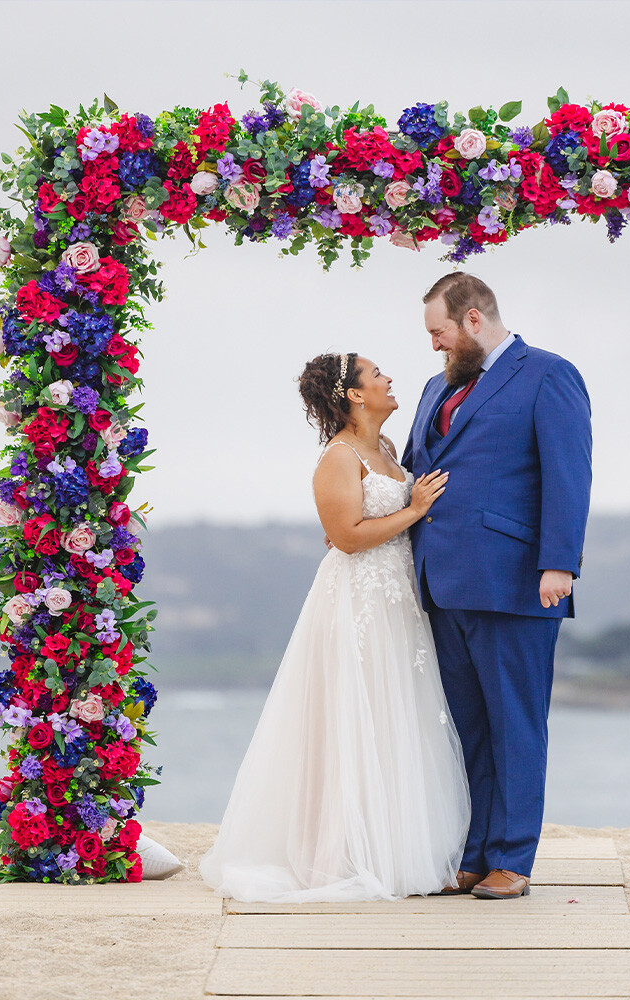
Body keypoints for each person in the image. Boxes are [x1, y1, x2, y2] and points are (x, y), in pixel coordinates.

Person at [199, 352, 470, 902]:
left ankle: (398, 853)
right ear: (352, 394)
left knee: (398, 715)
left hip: (398, 598)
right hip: (357, 600)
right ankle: (343, 855)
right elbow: (346, 536)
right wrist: (415, 509)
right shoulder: (338, 458)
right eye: (377, 375)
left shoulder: (388, 449)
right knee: (356, 714)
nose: (390, 378)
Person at [403, 273, 592, 900]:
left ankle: (513, 858)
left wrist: (559, 563)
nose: (434, 345)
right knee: (466, 727)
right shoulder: (437, 387)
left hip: (517, 582)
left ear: (474, 320)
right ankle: (475, 852)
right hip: (440, 582)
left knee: (515, 723)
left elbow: (569, 473)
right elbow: (414, 472)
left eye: (440, 332)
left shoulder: (548, 374)